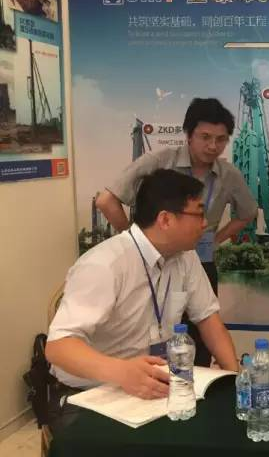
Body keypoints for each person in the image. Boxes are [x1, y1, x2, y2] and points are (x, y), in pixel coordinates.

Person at [46, 169, 239, 432]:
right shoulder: (104, 265)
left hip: (157, 388)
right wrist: (121, 372)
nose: (205, 223)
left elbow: (208, 319)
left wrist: (234, 380)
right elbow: (58, 347)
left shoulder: (186, 257)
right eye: (198, 214)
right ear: (166, 219)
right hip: (93, 394)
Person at [95, 98, 257, 366]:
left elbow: (248, 212)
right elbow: (106, 201)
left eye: (220, 139)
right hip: (152, 264)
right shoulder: (159, 161)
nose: (212, 146)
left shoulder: (229, 175)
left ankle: (196, 385)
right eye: (205, 137)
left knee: (201, 338)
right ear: (188, 135)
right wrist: (136, 244)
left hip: (200, 262)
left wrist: (215, 239)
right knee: (149, 331)